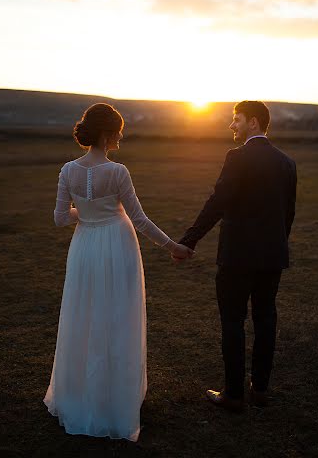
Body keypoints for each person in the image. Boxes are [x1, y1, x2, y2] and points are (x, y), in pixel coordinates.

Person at [43, 103, 192, 441]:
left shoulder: (68, 170)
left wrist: (85, 211)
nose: (122, 136)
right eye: (119, 131)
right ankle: (115, 398)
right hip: (118, 245)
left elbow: (59, 218)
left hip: (84, 249)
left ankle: (79, 393)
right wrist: (173, 247)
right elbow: (139, 220)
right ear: (108, 135)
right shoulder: (118, 172)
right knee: (118, 318)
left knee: (83, 316)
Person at [176, 100, 297, 412]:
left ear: (253, 123)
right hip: (272, 256)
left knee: (233, 320)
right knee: (266, 318)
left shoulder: (237, 157)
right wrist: (275, 246)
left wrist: (190, 240)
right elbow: (288, 214)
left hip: (237, 257)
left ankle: (233, 394)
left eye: (237, 120)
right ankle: (260, 390)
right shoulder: (287, 162)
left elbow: (218, 202)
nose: (232, 126)